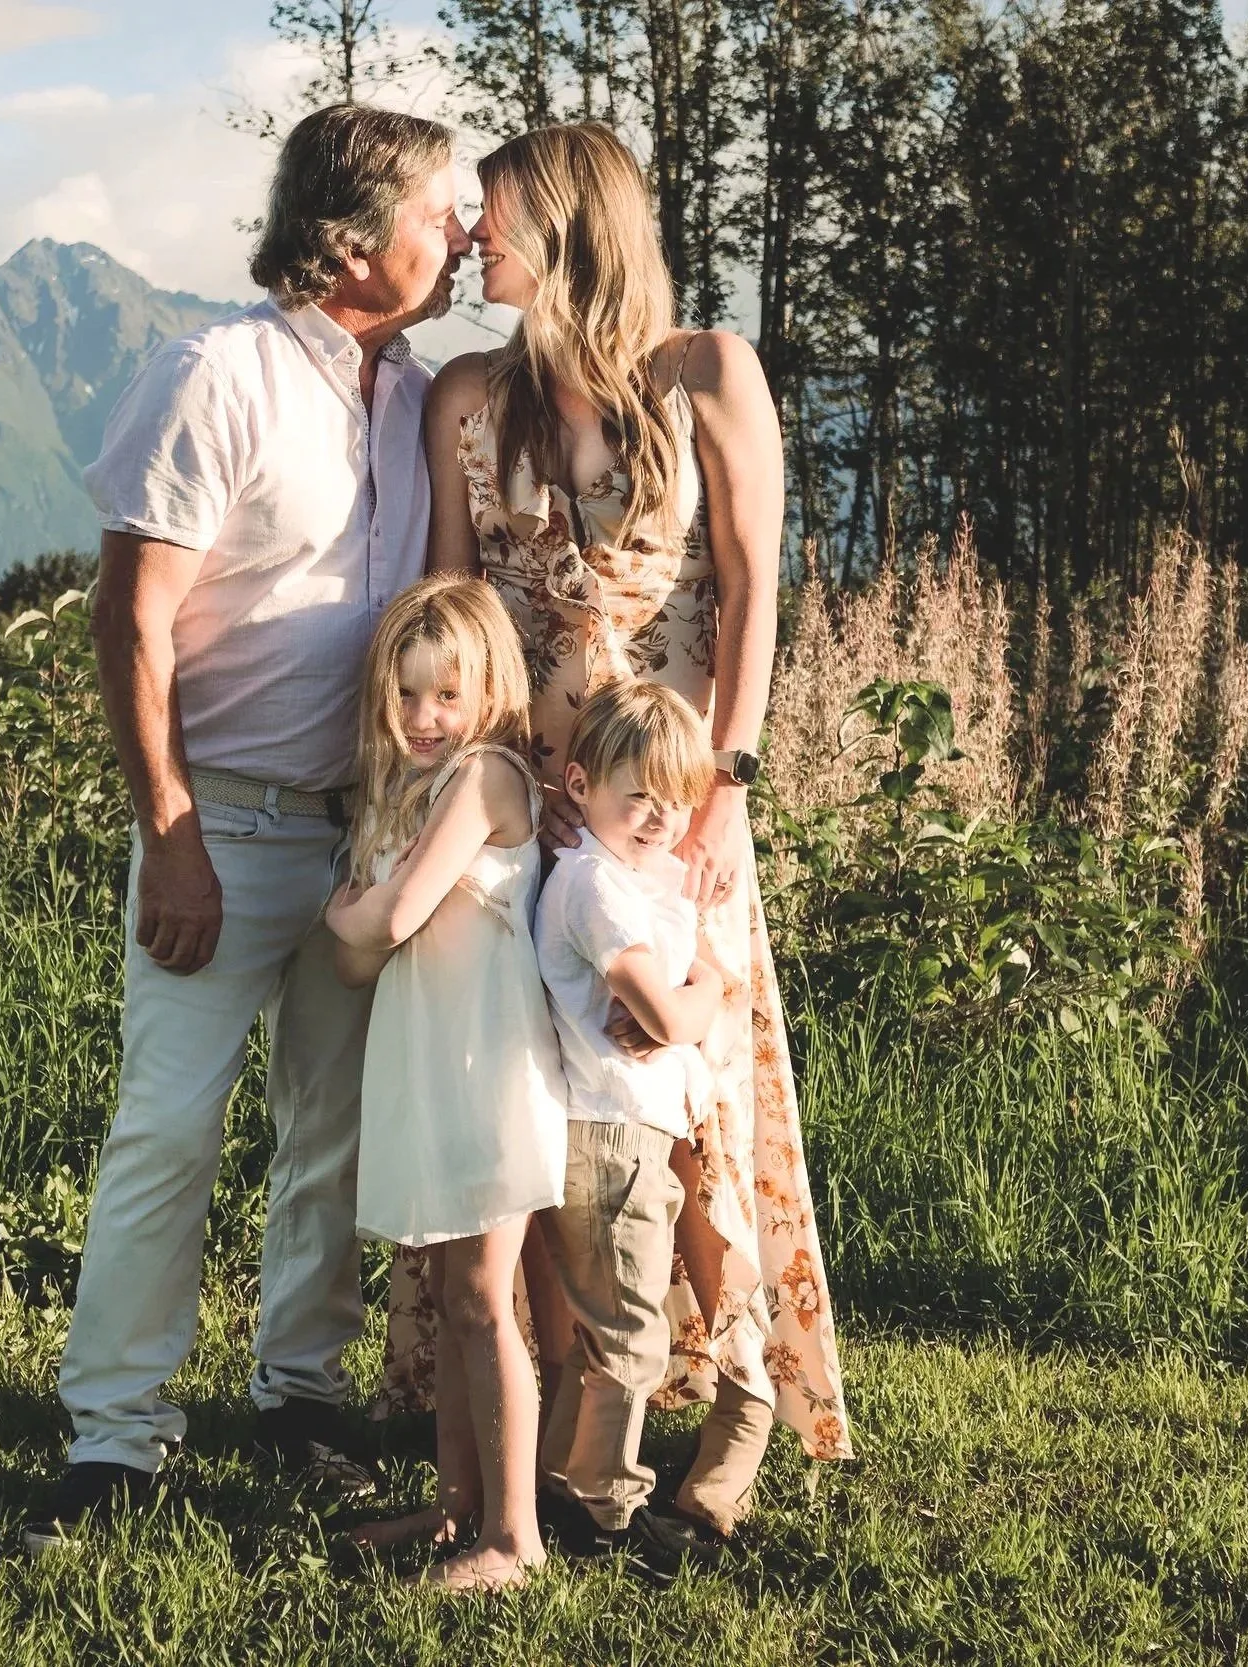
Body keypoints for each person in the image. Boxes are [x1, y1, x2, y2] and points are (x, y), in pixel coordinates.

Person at [381, 120, 854, 1537]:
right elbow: (454, 607)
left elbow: (759, 590)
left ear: (575, 227)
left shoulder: (708, 372)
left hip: (677, 805)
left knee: (691, 1105)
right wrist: (440, 804)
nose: (474, 237)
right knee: (541, 1124)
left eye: (499, 216)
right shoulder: (470, 394)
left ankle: (746, 1393)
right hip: (537, 817)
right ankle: (544, 1439)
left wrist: (732, 792)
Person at [21, 102, 470, 1556]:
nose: (460, 229)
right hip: (219, 821)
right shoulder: (212, 374)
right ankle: (115, 1431)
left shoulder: (419, 398)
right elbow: (131, 618)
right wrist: (173, 835)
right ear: (351, 238)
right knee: (168, 1128)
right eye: (438, 208)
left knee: (327, 1134)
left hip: (360, 834)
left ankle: (301, 1396)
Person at [321, 574, 567, 1593]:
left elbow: (385, 921)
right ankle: (458, 1504)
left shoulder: (486, 778)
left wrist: (352, 914)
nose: (425, 718)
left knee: (480, 1296)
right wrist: (359, 928)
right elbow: (356, 960)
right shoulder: (414, 788)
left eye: (447, 695)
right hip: (433, 1058)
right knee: (455, 1290)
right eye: (408, 695)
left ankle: (514, 1536)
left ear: (486, 694)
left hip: (487, 1067)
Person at [532, 679, 731, 1574]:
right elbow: (657, 1010)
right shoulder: (594, 886)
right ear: (579, 785)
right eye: (635, 794)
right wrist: (699, 1001)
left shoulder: (623, 879)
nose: (658, 817)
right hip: (610, 1137)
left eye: (676, 798)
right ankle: (607, 1511)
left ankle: (564, 1482)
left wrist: (703, 995)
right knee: (629, 1334)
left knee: (606, 1326)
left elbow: (683, 995)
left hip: (623, 1134)